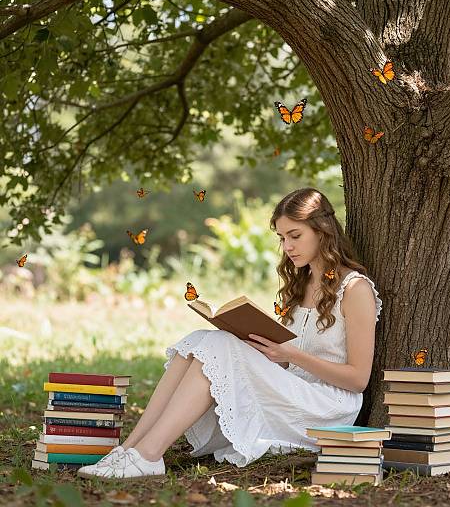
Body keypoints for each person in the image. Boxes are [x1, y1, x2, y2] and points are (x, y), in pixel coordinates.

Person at [77, 187, 383, 480]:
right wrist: (263, 347)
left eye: (295, 235)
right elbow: (289, 362)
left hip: (327, 408)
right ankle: (131, 449)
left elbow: (358, 379)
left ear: (322, 231)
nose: (287, 246)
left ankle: (149, 455)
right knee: (201, 340)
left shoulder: (354, 289)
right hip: (293, 388)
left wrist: (291, 355)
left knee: (219, 346)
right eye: (281, 237)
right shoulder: (301, 285)